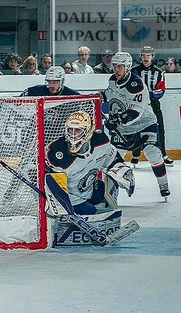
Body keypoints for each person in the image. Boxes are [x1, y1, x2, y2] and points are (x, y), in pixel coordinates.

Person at [99, 52, 170, 199]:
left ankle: (163, 185)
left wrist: (117, 120)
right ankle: (108, 193)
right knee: (113, 159)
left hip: (145, 124)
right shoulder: (113, 80)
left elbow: (135, 111)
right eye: (114, 66)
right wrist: (99, 96)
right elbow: (110, 94)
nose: (116, 69)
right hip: (124, 128)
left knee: (153, 152)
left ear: (128, 67)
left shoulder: (136, 85)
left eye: (120, 66)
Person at [46, 110, 135, 215]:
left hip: (90, 188)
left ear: (88, 131)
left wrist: (121, 170)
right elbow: (55, 189)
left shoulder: (100, 140)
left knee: (108, 192)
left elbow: (112, 159)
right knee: (91, 212)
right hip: (71, 197)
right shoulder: (56, 153)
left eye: (78, 130)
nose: (73, 135)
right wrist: (67, 207)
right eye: (70, 130)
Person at [131, 46, 172, 167]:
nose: (146, 58)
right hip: (138, 104)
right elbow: (131, 88)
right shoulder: (134, 71)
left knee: (159, 129)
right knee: (136, 128)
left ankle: (163, 154)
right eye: (144, 55)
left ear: (152, 57)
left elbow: (160, 91)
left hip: (153, 105)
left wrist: (146, 94)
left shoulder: (159, 72)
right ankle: (136, 153)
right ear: (141, 57)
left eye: (148, 55)